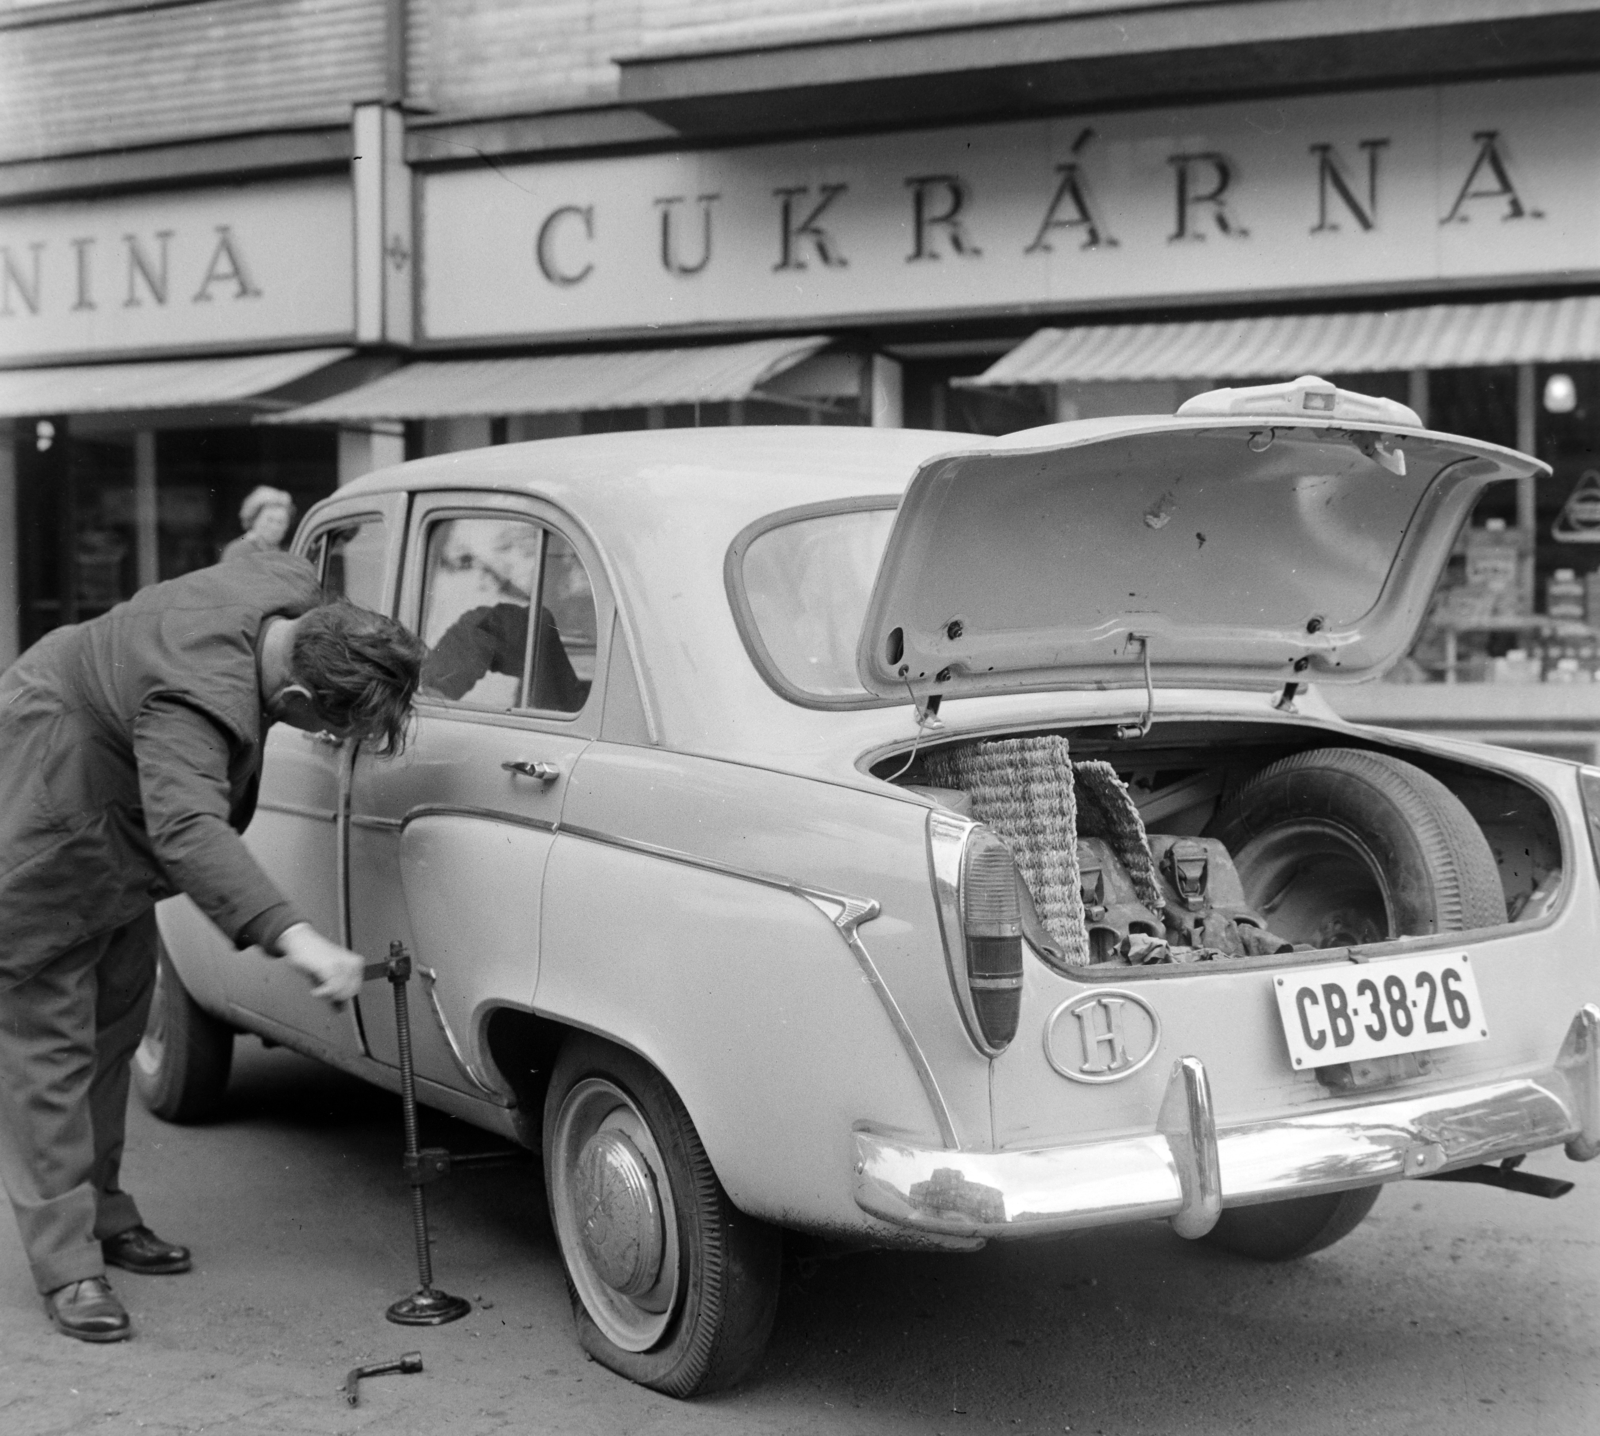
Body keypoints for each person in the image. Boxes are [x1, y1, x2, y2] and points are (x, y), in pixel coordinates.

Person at [0, 548, 425, 1343]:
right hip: (52, 813)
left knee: (116, 1023)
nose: (334, 741)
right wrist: (301, 943)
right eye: (331, 728)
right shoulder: (192, 701)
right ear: (294, 695)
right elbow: (189, 830)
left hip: (115, 809)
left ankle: (102, 1211)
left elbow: (274, 551)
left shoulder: (290, 593)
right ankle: (67, 1266)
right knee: (52, 1049)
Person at [220, 486, 295, 563]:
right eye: (270, 520)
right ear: (254, 519)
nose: (275, 527)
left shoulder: (282, 553)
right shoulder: (238, 550)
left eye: (281, 522)